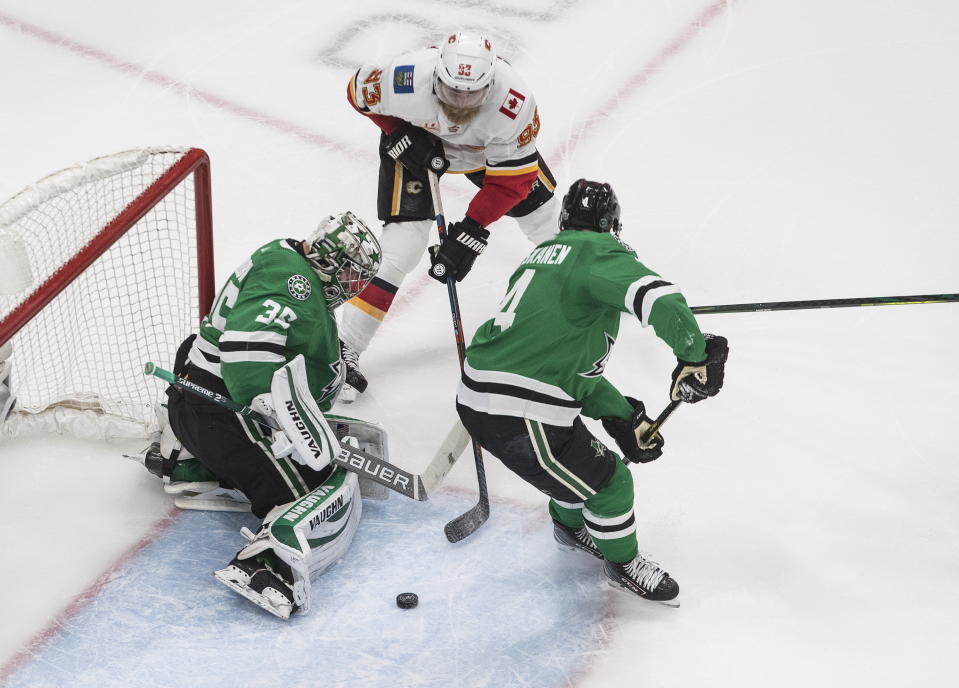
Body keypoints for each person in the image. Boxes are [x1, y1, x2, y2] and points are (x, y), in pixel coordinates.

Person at [455, 179, 729, 605]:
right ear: (609, 225)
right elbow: (661, 298)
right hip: (519, 411)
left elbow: (566, 369)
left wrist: (622, 415)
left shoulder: (539, 259)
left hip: (495, 395)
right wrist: (694, 354)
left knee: (576, 461)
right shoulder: (596, 250)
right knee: (612, 483)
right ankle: (623, 564)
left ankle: (569, 527)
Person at [138, 211, 383, 619]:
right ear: (330, 261)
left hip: (201, 403)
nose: (352, 288)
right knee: (314, 486)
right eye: (352, 275)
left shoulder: (287, 263)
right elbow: (246, 360)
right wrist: (281, 414)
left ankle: (185, 459)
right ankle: (268, 566)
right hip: (223, 410)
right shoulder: (293, 281)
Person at [338, 30, 560, 400]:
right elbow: (357, 92)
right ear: (436, 74)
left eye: (471, 93)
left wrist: (470, 231)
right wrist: (398, 132)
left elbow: (512, 183)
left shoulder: (514, 104)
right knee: (402, 250)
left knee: (548, 223)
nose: (459, 100)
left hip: (485, 156)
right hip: (419, 149)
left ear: (489, 85)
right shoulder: (404, 78)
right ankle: (344, 349)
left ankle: (600, 265)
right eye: (451, 90)